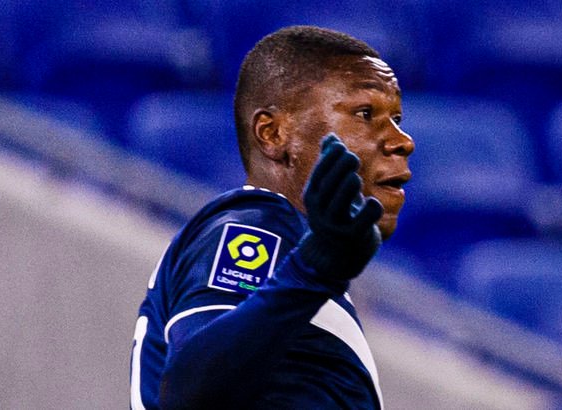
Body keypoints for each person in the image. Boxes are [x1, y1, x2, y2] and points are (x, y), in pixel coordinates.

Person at [130, 25, 414, 409]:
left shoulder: (295, 271)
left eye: (396, 118)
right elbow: (189, 396)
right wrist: (312, 272)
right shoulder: (256, 224)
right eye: (365, 113)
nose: (403, 141)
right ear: (273, 133)